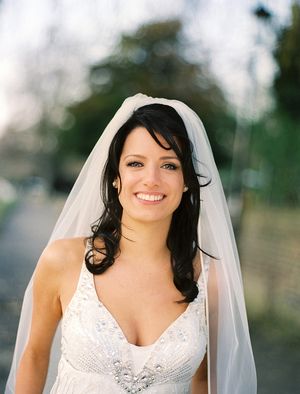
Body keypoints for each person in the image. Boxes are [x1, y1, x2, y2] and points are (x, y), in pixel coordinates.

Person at [6, 94, 256, 394]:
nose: (151, 179)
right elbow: (34, 356)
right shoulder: (62, 260)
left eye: (170, 166)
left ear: (187, 180)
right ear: (116, 176)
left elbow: (205, 381)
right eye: (136, 163)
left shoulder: (212, 281)